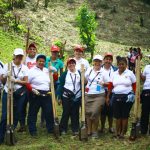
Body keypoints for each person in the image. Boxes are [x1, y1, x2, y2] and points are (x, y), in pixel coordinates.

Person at [0, 48, 28, 144]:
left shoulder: (24, 67)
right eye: (17, 56)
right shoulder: (7, 65)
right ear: (14, 56)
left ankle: (11, 133)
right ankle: (1, 136)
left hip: (19, 93)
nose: (19, 58)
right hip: (8, 91)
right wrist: (5, 76)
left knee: (16, 114)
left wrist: (16, 80)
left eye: (21, 56)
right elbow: (3, 81)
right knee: (5, 115)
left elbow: (26, 81)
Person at [107, 57, 136, 139]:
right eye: (119, 64)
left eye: (123, 64)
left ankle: (123, 133)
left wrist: (136, 95)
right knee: (117, 116)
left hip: (127, 97)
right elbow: (110, 85)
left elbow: (134, 85)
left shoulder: (130, 73)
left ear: (126, 65)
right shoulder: (114, 73)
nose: (121, 66)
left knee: (124, 115)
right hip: (116, 96)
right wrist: (108, 97)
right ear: (117, 65)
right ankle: (117, 132)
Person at [27, 54, 56, 136]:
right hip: (35, 93)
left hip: (46, 93)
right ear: (36, 62)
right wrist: (32, 89)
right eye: (40, 61)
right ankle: (32, 130)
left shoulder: (47, 70)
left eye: (43, 61)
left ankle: (50, 128)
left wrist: (55, 71)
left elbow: (54, 80)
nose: (41, 63)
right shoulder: (31, 71)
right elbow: (27, 82)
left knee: (49, 111)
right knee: (33, 112)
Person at [57, 58, 81, 136]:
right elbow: (60, 85)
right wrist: (59, 97)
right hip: (66, 96)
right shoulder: (64, 74)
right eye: (69, 63)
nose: (71, 64)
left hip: (77, 96)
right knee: (66, 112)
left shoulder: (80, 73)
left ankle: (75, 128)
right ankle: (63, 128)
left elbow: (83, 84)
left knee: (75, 113)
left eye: (72, 63)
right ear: (67, 65)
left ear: (75, 64)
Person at [17, 43, 38, 132]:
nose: (32, 50)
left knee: (33, 107)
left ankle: (31, 124)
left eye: (34, 49)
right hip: (25, 85)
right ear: (27, 50)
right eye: (30, 49)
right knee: (22, 106)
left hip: (35, 85)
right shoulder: (24, 60)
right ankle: (22, 124)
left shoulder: (38, 59)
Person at [85, 55, 106, 139]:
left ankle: (95, 131)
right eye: (96, 61)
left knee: (95, 112)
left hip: (99, 95)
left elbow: (109, 83)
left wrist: (104, 84)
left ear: (101, 62)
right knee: (88, 113)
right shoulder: (89, 70)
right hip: (88, 94)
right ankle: (89, 130)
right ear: (93, 62)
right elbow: (85, 80)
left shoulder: (103, 72)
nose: (97, 63)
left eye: (99, 61)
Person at [100, 52, 117, 133]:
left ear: (112, 61)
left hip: (112, 92)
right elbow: (98, 82)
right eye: (106, 59)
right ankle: (102, 127)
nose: (108, 61)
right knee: (102, 110)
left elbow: (115, 82)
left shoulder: (115, 70)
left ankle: (110, 127)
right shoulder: (99, 68)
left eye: (110, 59)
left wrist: (107, 84)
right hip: (101, 91)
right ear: (104, 60)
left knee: (111, 110)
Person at [140, 58, 150, 135]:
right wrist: (139, 73)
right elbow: (143, 79)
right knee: (145, 110)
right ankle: (143, 130)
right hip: (146, 90)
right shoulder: (147, 67)